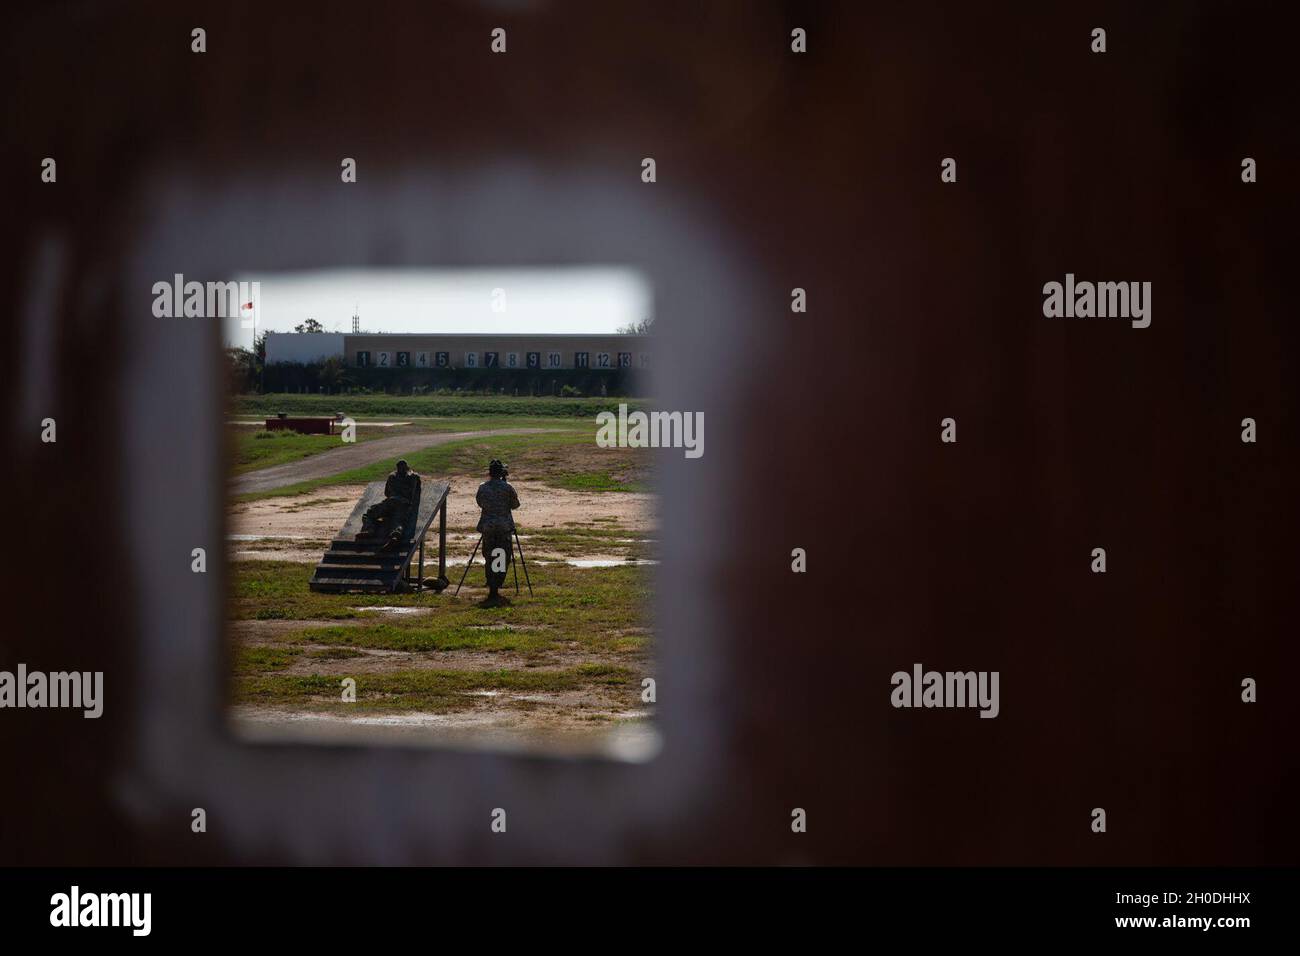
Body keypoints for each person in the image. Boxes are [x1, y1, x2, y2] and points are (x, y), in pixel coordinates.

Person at [475, 458, 520, 606]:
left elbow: (480, 502)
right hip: (503, 527)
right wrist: (505, 484)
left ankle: (492, 585)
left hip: (488, 527)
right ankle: (496, 585)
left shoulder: (482, 487)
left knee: (489, 555)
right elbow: (515, 505)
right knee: (502, 555)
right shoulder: (507, 488)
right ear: (501, 473)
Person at [361, 459, 421, 550]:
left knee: (369, 514)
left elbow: (387, 493)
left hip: (393, 502)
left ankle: (370, 529)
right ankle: (394, 536)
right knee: (397, 521)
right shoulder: (414, 476)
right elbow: (415, 493)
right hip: (403, 504)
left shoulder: (392, 476)